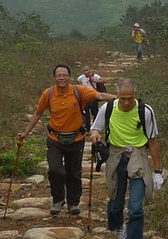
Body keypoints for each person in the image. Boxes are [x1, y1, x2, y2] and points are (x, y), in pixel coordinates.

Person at [18, 64, 115, 216]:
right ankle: (58, 200)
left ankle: (73, 203)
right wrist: (25, 133)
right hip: (55, 139)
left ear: (69, 77)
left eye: (64, 75)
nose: (61, 78)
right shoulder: (48, 93)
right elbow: (38, 113)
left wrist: (121, 98)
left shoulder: (78, 91)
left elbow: (100, 96)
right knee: (55, 170)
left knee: (74, 173)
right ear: (54, 77)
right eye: (59, 75)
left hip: (76, 139)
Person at [89, 77, 163, 239]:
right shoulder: (108, 109)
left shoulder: (145, 111)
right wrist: (95, 134)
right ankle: (119, 227)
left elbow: (153, 142)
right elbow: (95, 128)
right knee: (116, 202)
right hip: (115, 156)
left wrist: (157, 172)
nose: (127, 102)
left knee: (136, 207)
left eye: (130, 98)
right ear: (117, 94)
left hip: (138, 156)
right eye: (123, 98)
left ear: (136, 94)